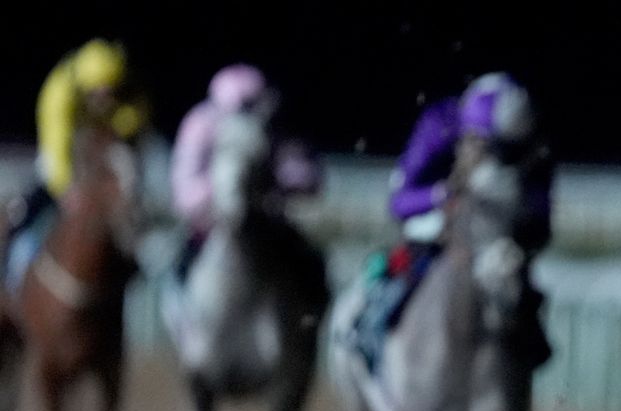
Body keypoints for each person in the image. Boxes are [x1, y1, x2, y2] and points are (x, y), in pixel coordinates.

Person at [351, 72, 553, 372]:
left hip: (497, 242)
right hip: (433, 234)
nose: (500, 162)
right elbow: (398, 202)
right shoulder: (439, 126)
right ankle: (369, 338)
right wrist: (443, 196)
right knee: (395, 280)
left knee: (521, 296)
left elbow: (542, 222)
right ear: (471, 136)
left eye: (510, 153)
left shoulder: (533, 148)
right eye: (491, 149)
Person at [5, 38, 150, 292]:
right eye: (98, 93)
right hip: (63, 151)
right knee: (29, 208)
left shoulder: (125, 86)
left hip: (98, 152)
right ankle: (12, 273)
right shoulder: (59, 92)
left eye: (110, 92)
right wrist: (65, 189)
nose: (104, 100)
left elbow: (136, 118)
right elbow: (56, 146)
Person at [169, 64, 323, 280]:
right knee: (174, 268)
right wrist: (218, 192)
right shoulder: (201, 124)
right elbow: (184, 183)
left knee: (309, 267)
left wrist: (275, 183)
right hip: (210, 222)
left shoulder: (272, 125)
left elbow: (307, 175)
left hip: (268, 222)